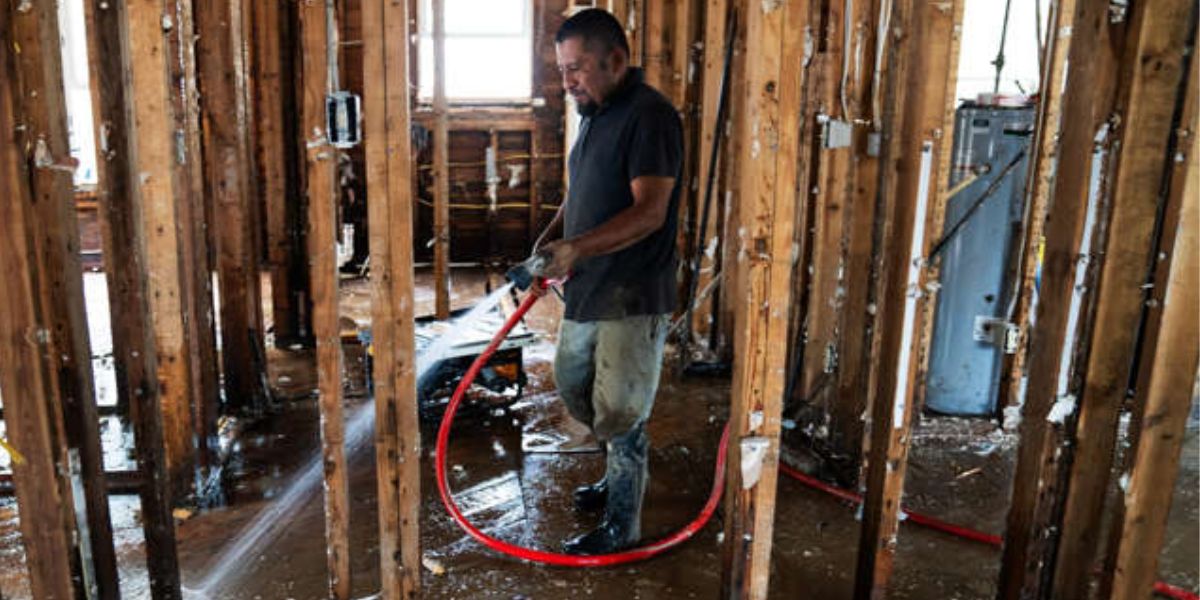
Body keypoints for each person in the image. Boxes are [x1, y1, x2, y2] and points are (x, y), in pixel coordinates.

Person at [531, 8, 683, 555]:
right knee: (574, 385)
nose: (567, 81)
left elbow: (649, 213)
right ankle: (615, 469)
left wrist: (573, 248)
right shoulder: (595, 113)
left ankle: (623, 521)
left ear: (615, 60)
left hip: (633, 293)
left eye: (576, 69)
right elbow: (582, 194)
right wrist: (549, 239)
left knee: (619, 409)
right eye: (563, 69)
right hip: (589, 286)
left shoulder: (651, 117)